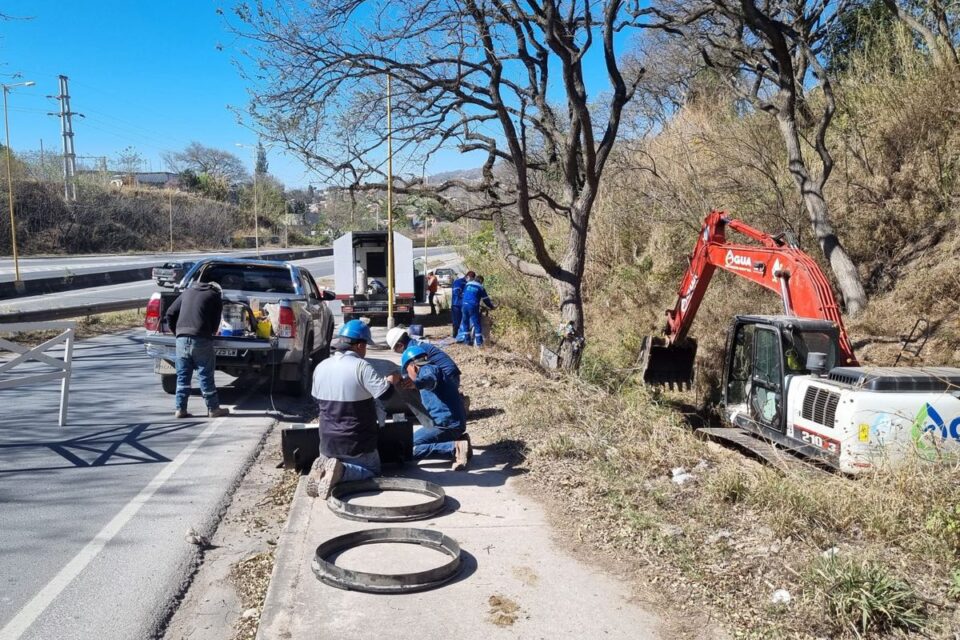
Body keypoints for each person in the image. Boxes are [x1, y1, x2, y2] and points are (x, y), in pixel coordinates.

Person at [307, 319, 404, 499]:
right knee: (372, 471)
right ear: (359, 345)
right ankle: (342, 471)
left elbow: (316, 402)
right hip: (357, 444)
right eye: (366, 346)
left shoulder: (320, 367)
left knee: (332, 457)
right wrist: (392, 379)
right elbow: (385, 395)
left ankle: (325, 469)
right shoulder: (361, 366)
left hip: (327, 444)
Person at [165, 281, 230, 419]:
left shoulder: (187, 292)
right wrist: (211, 331)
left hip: (181, 339)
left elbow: (170, 312)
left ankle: (180, 409)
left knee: (183, 376)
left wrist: (176, 332)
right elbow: (216, 321)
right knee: (205, 374)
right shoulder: (214, 295)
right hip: (200, 338)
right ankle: (213, 409)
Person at [401, 345, 470, 471]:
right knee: (411, 441)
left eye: (407, 372)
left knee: (406, 448)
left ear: (413, 367)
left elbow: (429, 379)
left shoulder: (427, 370)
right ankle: (459, 441)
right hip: (450, 424)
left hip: (446, 425)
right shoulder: (435, 368)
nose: (408, 376)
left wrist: (416, 383)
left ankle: (455, 448)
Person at [386, 326, 461, 388]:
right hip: (449, 373)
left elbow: (418, 374)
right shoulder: (415, 344)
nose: (396, 352)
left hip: (448, 376)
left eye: (395, 349)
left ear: (400, 345)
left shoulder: (413, 352)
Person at [457, 273, 495, 347]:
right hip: (473, 306)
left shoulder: (467, 284)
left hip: (464, 305)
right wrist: (491, 307)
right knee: (477, 324)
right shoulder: (481, 287)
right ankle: (479, 343)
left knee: (465, 323)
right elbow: (486, 300)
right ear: (481, 281)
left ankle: (467, 342)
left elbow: (464, 294)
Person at [450, 271, 469, 338]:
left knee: (463, 321)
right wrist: (464, 296)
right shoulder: (458, 282)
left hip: (463, 305)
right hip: (456, 304)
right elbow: (456, 292)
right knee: (456, 321)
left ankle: (461, 336)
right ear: (467, 276)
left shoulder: (467, 283)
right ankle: (455, 335)